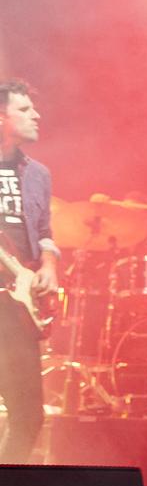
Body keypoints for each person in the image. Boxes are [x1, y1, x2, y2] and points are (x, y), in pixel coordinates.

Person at [0, 79, 59, 463]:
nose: (35, 115)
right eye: (24, 110)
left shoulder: (38, 174)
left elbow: (44, 233)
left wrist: (50, 266)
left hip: (16, 308)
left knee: (29, 416)